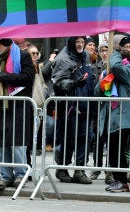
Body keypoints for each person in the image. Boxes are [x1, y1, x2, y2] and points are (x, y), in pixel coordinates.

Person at [0, 38, 35, 190]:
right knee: (1, 144)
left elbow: (28, 78)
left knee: (17, 143)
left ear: (4, 44)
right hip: (0, 106)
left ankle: (21, 174)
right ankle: (5, 176)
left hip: (18, 105)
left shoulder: (23, 56)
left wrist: (5, 77)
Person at [52, 36, 95, 184]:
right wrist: (74, 83)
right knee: (68, 137)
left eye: (83, 42)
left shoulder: (86, 56)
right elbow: (57, 82)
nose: (81, 45)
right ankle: (62, 169)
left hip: (86, 104)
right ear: (71, 43)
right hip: (69, 106)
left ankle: (79, 170)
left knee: (85, 137)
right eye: (77, 42)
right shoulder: (63, 58)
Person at [96, 35, 130, 192]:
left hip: (123, 116)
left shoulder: (125, 67)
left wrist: (114, 52)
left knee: (118, 149)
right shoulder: (111, 68)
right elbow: (98, 93)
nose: (127, 50)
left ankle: (122, 181)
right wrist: (103, 80)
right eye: (125, 47)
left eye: (129, 47)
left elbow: (117, 67)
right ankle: (118, 180)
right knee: (112, 150)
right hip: (111, 115)